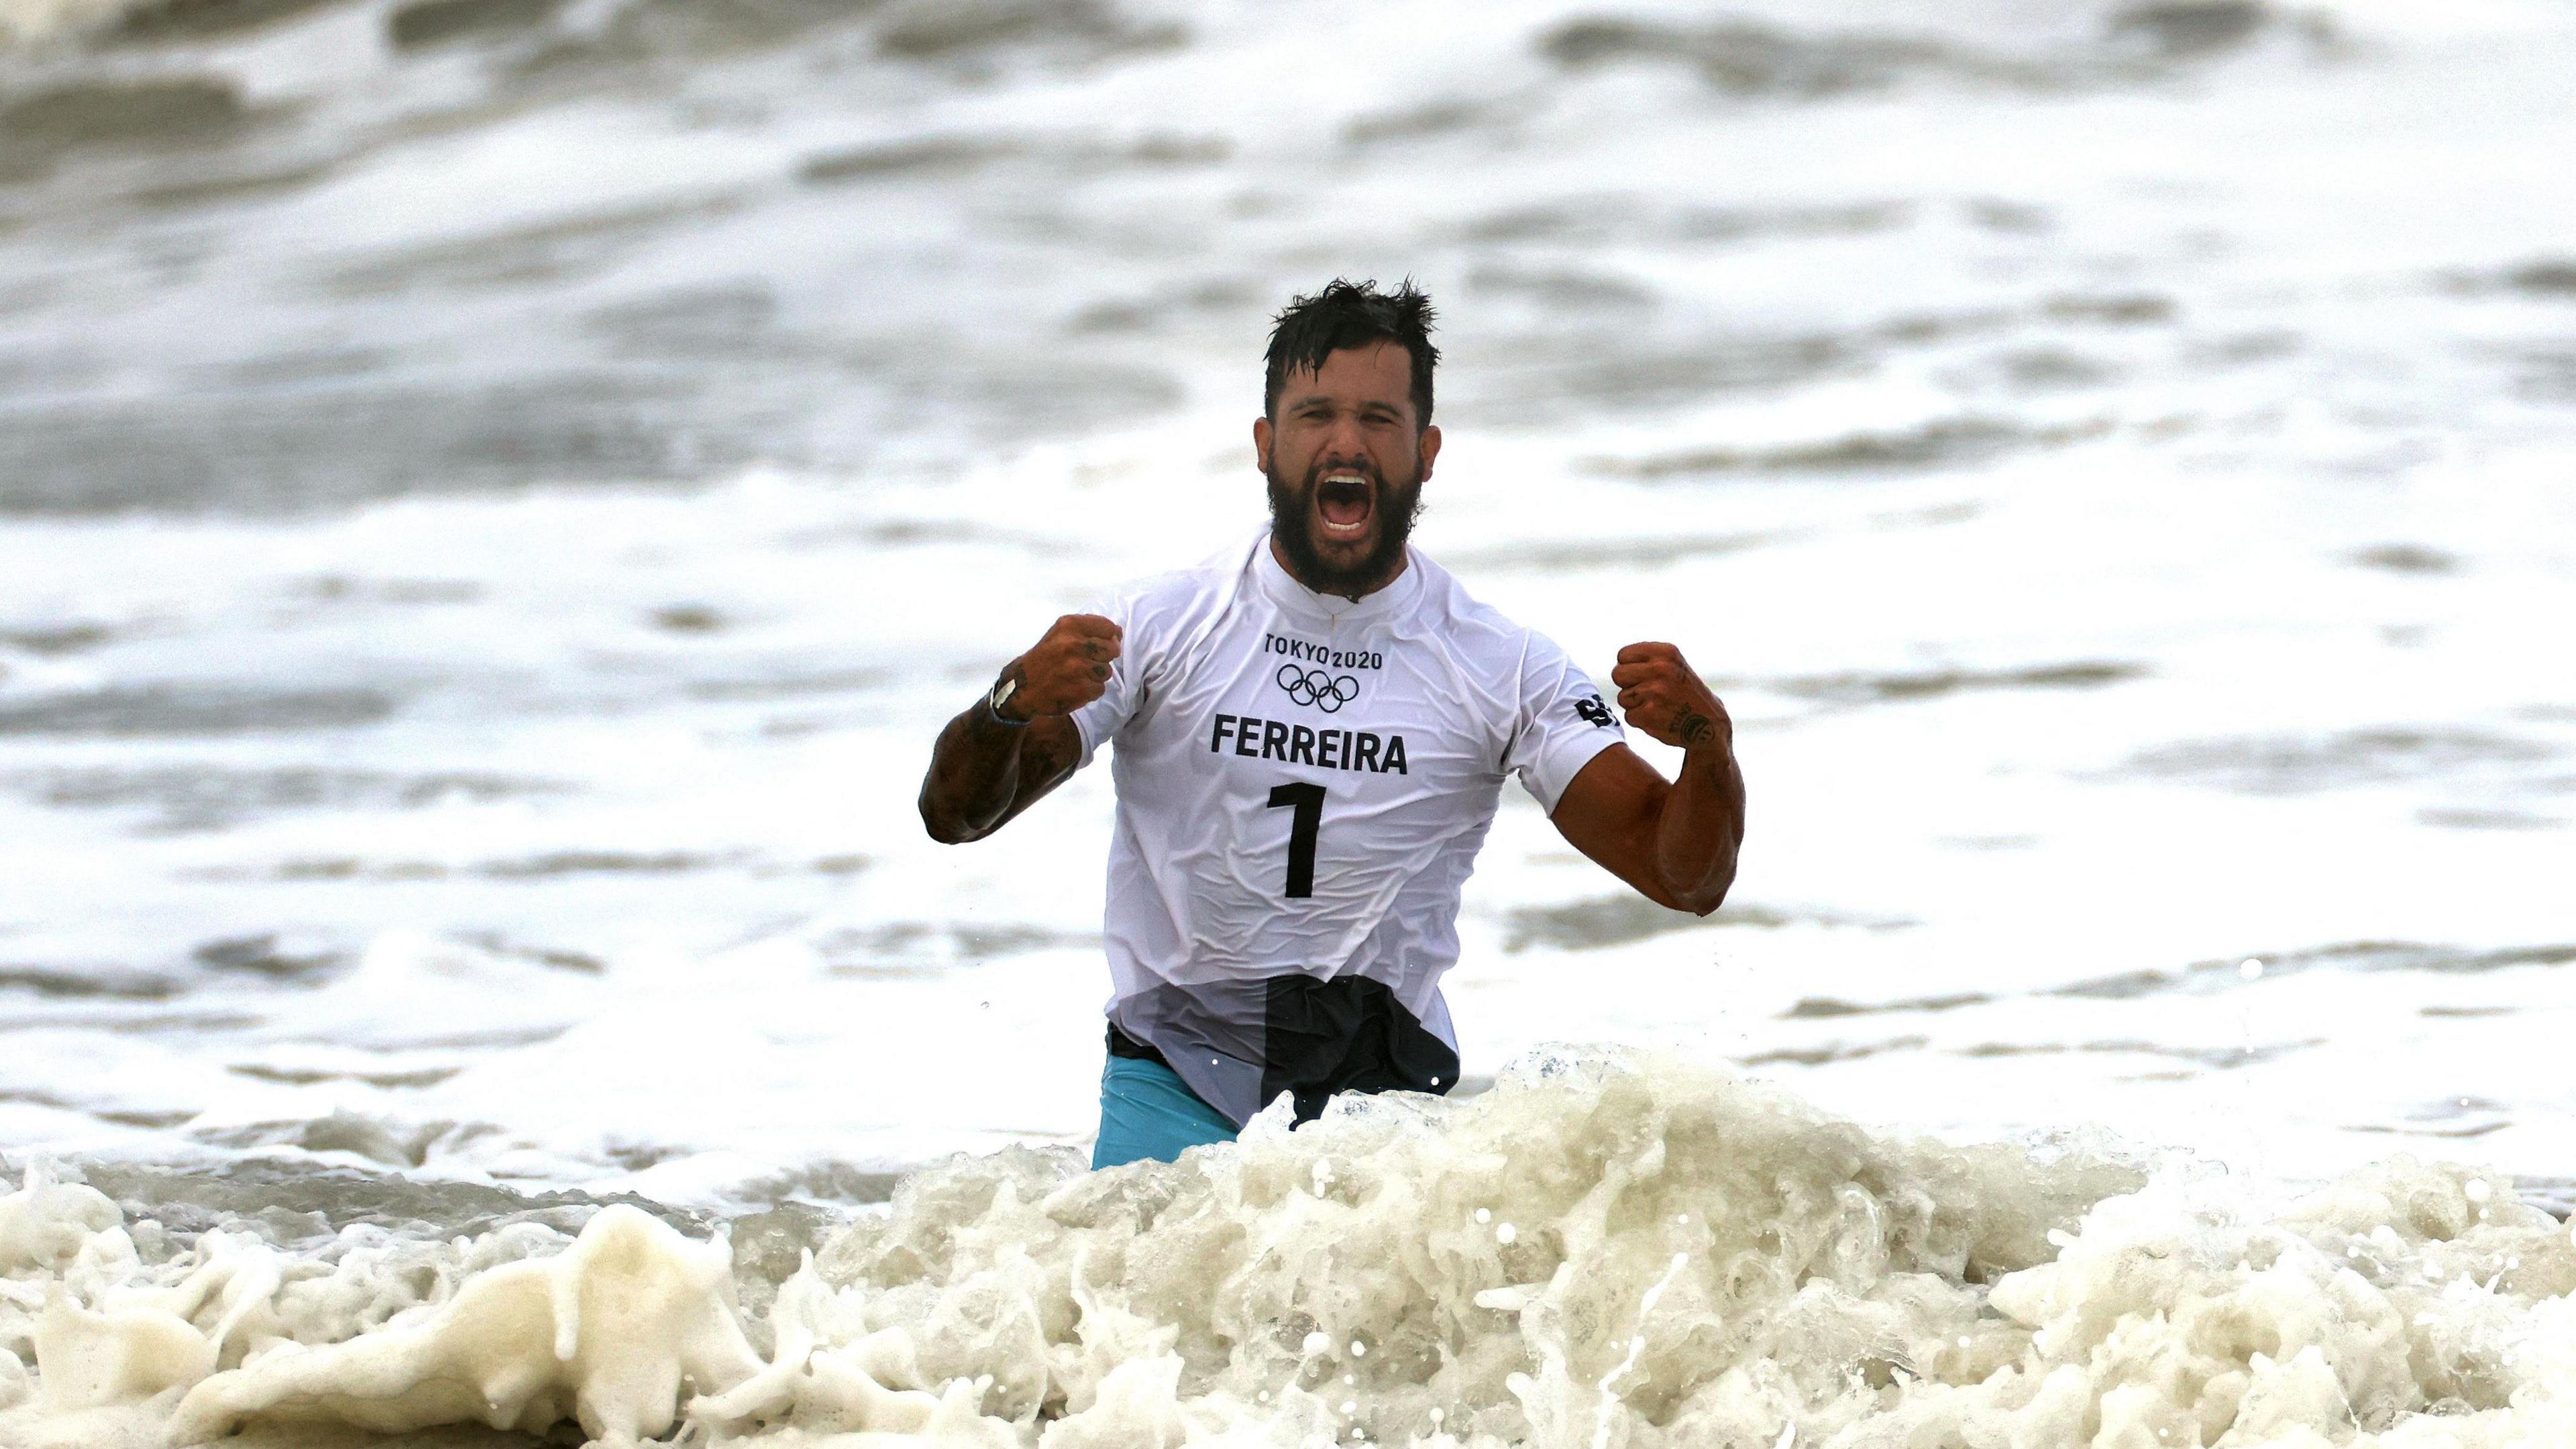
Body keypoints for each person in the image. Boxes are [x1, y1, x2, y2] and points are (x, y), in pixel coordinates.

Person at [918, 278, 1746, 1169]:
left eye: (1379, 420)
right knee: (1139, 1310)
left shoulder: (1502, 666)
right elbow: (956, 815)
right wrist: (1008, 707)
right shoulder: (1157, 627)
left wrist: (1708, 748)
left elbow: (1684, 877)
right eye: (1315, 415)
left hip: (1378, 1122)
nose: (1345, 442)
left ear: (1426, 451)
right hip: (1175, 1089)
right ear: (1268, 444)